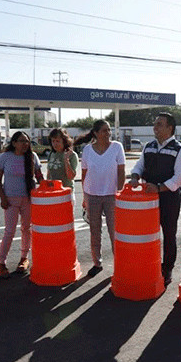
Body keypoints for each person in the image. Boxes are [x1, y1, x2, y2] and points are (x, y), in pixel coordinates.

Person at [129, 112, 181, 285]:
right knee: (147, 233)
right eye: (155, 124)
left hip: (169, 198)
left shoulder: (179, 149)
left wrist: (160, 188)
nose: (155, 127)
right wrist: (135, 175)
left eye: (159, 124)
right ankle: (149, 263)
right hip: (148, 198)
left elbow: (179, 178)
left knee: (169, 234)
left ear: (170, 128)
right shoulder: (149, 146)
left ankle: (167, 268)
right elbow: (140, 165)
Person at [76, 119, 126, 277]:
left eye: (109, 130)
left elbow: (121, 172)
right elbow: (84, 175)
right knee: (94, 231)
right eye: (104, 130)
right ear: (96, 133)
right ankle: (97, 262)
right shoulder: (88, 150)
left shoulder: (117, 147)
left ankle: (119, 263)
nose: (108, 133)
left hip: (112, 196)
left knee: (115, 232)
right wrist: (85, 196)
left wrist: (119, 192)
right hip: (93, 195)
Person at [0, 131, 44, 279]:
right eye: (22, 141)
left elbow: (39, 176)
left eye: (27, 141)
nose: (25, 144)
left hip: (28, 199)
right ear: (14, 143)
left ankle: (24, 258)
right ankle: (1, 262)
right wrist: (2, 198)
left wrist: (46, 187)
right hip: (10, 200)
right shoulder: (5, 157)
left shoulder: (32, 157)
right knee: (9, 231)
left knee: (26, 229)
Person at [46, 127, 79, 208]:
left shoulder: (72, 155)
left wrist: (66, 160)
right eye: (53, 141)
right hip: (53, 193)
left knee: (66, 220)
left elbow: (71, 176)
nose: (55, 144)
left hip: (66, 194)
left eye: (57, 141)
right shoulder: (51, 154)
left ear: (64, 141)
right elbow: (49, 174)